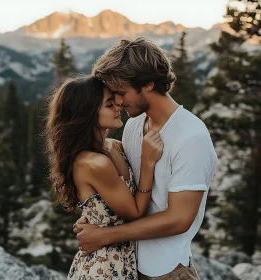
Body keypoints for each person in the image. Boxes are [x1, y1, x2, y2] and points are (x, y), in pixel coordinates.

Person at [73, 37, 218, 280]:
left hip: (167, 271)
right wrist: (96, 215)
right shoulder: (134, 124)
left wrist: (105, 235)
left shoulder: (191, 136)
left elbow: (179, 219)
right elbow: (127, 193)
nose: (118, 101)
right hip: (127, 266)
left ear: (149, 84)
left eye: (122, 92)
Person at [45, 74, 163, 279]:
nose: (118, 105)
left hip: (122, 260)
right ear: (88, 114)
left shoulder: (114, 146)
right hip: (105, 268)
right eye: (109, 104)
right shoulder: (94, 163)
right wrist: (148, 164)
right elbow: (134, 212)